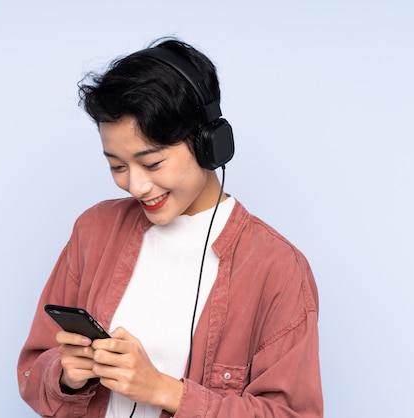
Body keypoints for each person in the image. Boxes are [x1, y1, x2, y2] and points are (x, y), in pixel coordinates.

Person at [17, 37, 323, 417]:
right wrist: (67, 375)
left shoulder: (278, 268)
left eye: (153, 163)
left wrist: (164, 390)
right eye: (117, 166)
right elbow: (33, 370)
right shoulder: (93, 230)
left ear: (207, 143)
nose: (136, 186)